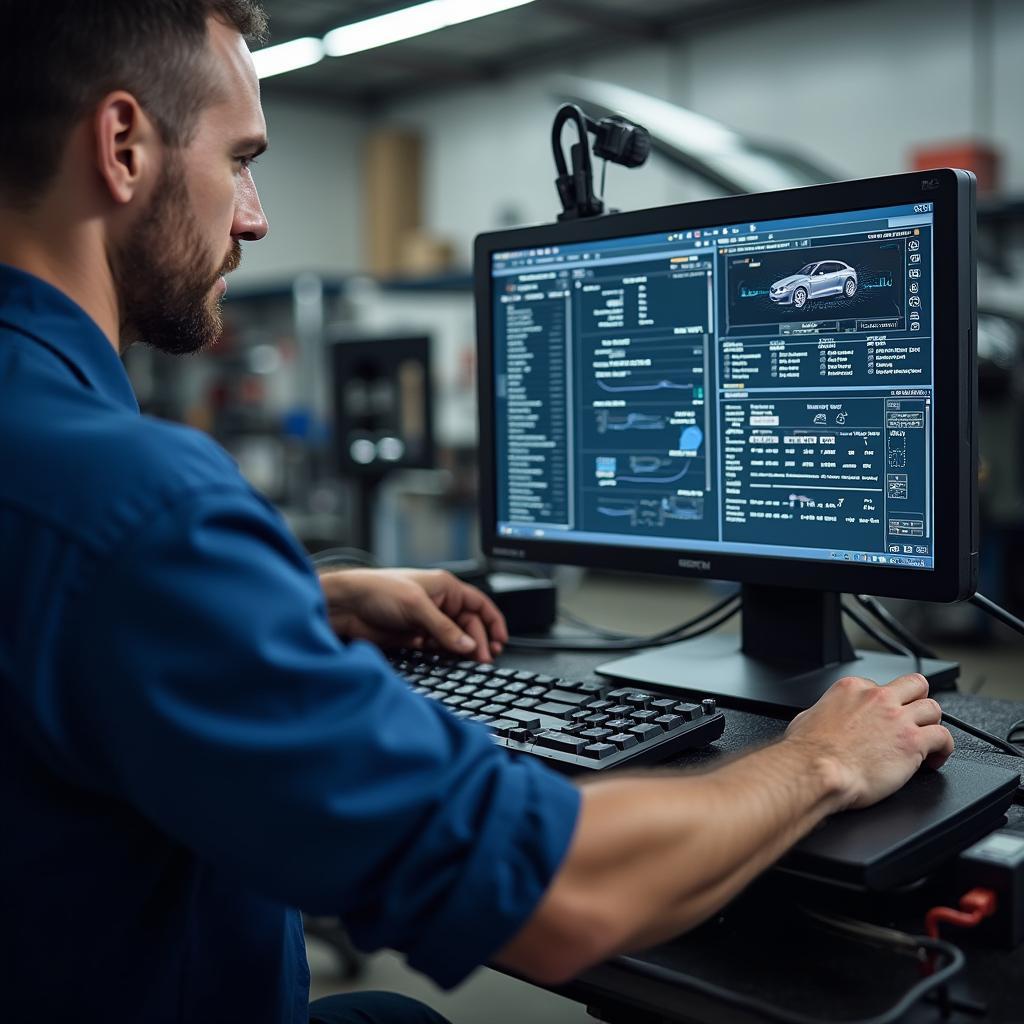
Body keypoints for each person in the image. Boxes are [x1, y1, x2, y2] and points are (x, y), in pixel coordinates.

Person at [0, 3, 955, 1023]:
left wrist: (291, 606)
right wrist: (820, 762)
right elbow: (558, 890)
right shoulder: (137, 505)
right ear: (122, 145)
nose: (255, 215)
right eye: (240, 158)